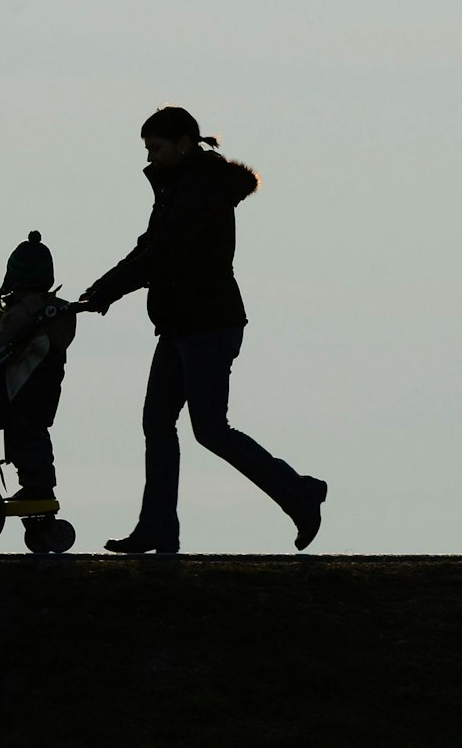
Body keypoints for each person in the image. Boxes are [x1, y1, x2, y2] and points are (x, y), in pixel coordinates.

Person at [81, 106, 327, 554]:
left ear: (183, 143)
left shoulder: (199, 189)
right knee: (158, 424)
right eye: (147, 149)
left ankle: (300, 492)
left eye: (156, 148)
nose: (150, 157)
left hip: (208, 324)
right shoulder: (179, 186)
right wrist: (101, 289)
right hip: (180, 324)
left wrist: (106, 292)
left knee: (209, 428)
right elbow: (150, 246)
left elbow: (162, 253)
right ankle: (157, 529)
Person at [0, 232, 76, 528]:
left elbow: (1, 349)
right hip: (44, 387)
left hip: (23, 388)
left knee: (25, 434)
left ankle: (38, 489)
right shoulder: (56, 311)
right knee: (31, 435)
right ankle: (36, 487)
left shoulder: (26, 313)